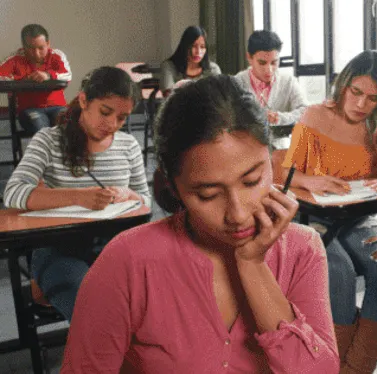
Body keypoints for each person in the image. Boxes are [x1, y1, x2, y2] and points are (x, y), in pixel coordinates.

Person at [61, 75, 339, 373]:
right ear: (173, 187)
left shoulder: (302, 249)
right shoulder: (127, 261)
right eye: (207, 194)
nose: (238, 215)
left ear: (271, 161)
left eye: (252, 180)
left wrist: (252, 266)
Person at [282, 50, 377, 373]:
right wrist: (312, 179)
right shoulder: (314, 115)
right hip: (312, 220)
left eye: (373, 99)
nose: (361, 105)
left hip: (358, 219)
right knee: (340, 272)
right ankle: (332, 365)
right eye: (356, 93)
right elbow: (287, 175)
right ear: (343, 85)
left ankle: (355, 369)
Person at [3, 66, 151, 321]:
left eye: (122, 117)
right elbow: (13, 193)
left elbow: (146, 201)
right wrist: (78, 197)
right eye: (105, 112)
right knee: (96, 307)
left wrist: (129, 194)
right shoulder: (48, 141)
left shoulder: (129, 146)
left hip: (115, 248)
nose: (112, 125)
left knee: (155, 301)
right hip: (60, 249)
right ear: (83, 100)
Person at [0, 24, 72, 134]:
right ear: (24, 46)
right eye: (31, 49)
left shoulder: (56, 55)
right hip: (29, 109)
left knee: (70, 124)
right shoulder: (15, 59)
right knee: (41, 127)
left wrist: (48, 75)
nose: (36, 53)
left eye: (41, 48)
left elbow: (67, 75)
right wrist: (22, 79)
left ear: (48, 44)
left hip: (57, 107)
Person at [235, 30, 307, 128]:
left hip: (281, 142)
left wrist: (280, 118)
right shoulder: (237, 82)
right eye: (262, 63)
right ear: (249, 58)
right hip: (244, 142)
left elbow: (305, 112)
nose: (269, 70)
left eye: (274, 62)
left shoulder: (288, 81)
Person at [159, 25, 221, 96]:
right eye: (194, 46)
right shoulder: (169, 66)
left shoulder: (213, 69)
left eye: (202, 47)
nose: (198, 52)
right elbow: (168, 96)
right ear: (185, 46)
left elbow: (218, 96)